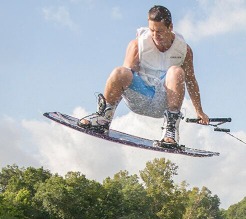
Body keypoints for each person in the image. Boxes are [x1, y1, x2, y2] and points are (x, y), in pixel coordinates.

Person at [78, 5, 209, 147]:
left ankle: (170, 131)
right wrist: (112, 101)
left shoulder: (184, 50)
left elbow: (191, 82)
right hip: (140, 97)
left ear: (170, 27)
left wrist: (199, 110)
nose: (155, 35)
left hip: (164, 102)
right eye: (152, 30)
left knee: (176, 72)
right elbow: (123, 81)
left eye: (159, 31)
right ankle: (103, 118)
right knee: (119, 72)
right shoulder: (137, 45)